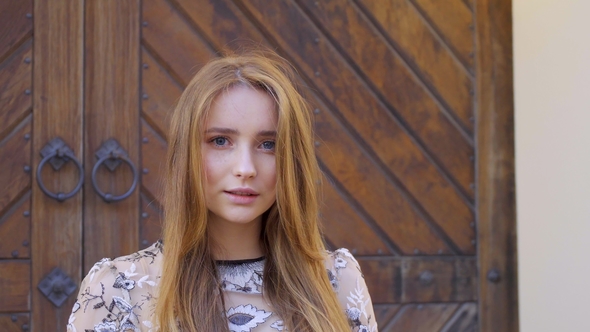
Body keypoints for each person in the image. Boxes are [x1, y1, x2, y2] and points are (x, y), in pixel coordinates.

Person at [67, 50, 377, 332]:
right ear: (186, 153)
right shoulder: (118, 290)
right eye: (220, 141)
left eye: (268, 145)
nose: (245, 168)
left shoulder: (336, 279)